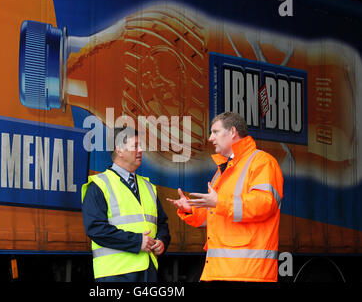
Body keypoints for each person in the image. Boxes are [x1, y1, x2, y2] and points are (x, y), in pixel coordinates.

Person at [167, 112, 283, 282]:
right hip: (220, 270)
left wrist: (219, 202)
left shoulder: (262, 162)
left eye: (215, 132)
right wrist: (190, 209)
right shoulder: (224, 169)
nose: (210, 138)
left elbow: (264, 205)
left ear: (232, 132)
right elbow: (216, 214)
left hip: (248, 273)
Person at [81, 126, 170, 282]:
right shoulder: (99, 185)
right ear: (119, 150)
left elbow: (162, 223)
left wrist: (162, 241)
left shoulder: (149, 187)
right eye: (135, 145)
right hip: (115, 273)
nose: (141, 149)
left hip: (147, 272)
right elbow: (95, 229)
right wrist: (136, 241)